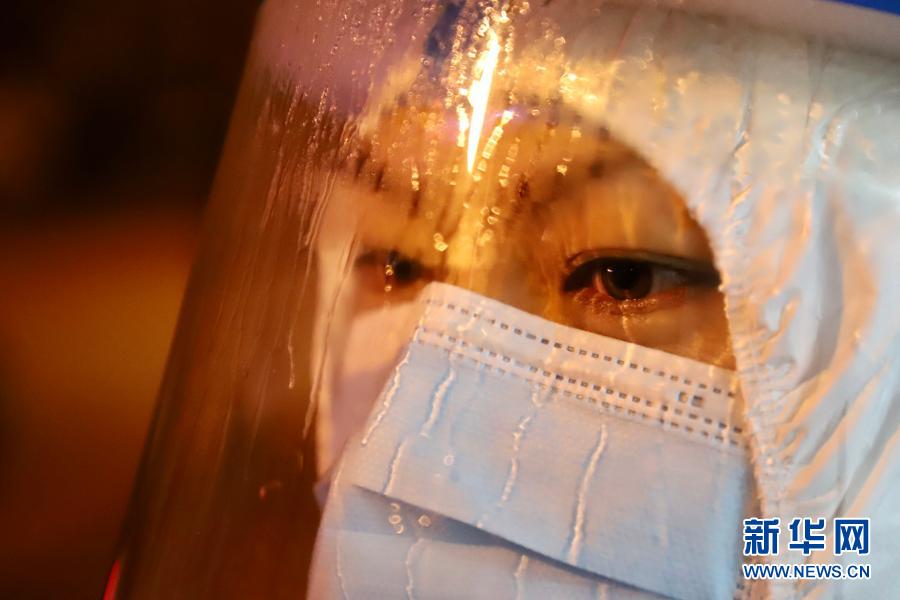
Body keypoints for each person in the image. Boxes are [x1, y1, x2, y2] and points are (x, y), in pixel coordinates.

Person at [109, 1, 900, 598]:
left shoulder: (835, 543)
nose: (413, 437)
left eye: (623, 277)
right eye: (397, 265)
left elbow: (838, 549)